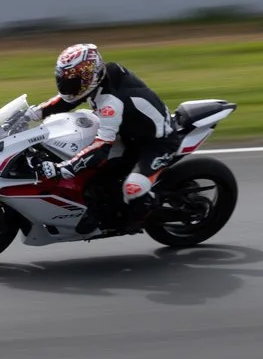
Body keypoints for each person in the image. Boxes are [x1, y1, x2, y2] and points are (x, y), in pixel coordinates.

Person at [24, 43, 177, 236]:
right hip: (127, 132)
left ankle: (140, 214)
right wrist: (30, 114)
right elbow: (67, 100)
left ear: (90, 77)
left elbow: (101, 148)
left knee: (132, 188)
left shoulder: (111, 103)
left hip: (155, 143)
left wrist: (64, 169)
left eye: (73, 80)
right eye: (64, 78)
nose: (67, 84)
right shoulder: (99, 79)